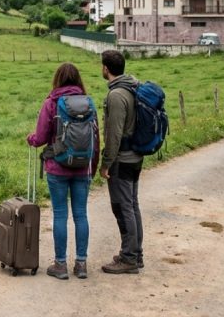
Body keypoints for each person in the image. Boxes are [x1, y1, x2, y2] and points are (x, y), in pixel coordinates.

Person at [26, 62, 99, 280]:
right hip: (82, 168)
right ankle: (81, 263)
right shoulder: (89, 104)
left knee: (60, 214)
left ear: (57, 79)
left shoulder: (51, 103)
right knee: (80, 214)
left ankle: (60, 264)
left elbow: (39, 138)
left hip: (57, 167)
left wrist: (30, 139)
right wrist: (92, 168)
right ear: (78, 80)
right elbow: (96, 140)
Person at [99, 49, 144, 274]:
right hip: (135, 156)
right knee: (132, 205)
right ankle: (136, 253)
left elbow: (114, 135)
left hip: (122, 159)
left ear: (106, 68)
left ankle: (129, 259)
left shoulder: (116, 95)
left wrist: (106, 163)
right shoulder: (132, 86)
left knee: (123, 207)